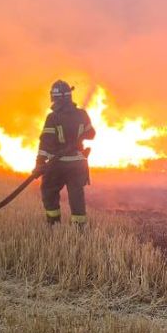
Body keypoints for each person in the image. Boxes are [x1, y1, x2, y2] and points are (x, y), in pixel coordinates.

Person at [35, 80, 96, 227]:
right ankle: (79, 227)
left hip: (58, 165)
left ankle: (53, 223)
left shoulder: (53, 117)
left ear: (55, 97)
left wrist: (39, 163)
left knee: (49, 190)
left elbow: (45, 143)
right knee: (76, 195)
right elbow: (91, 134)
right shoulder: (82, 114)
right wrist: (77, 137)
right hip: (78, 164)